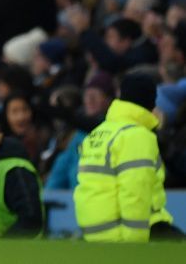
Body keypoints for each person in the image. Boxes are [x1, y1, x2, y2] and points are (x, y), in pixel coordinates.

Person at [74, 74, 174, 242]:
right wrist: (134, 245)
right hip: (131, 234)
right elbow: (135, 192)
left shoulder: (99, 133)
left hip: (95, 234)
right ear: (151, 102)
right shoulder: (137, 136)